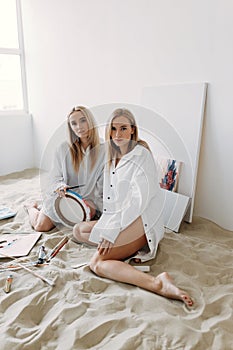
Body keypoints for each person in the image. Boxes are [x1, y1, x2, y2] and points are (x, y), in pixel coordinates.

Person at [73, 108, 193, 307]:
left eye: (123, 128)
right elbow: (114, 200)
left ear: (132, 130)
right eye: (113, 129)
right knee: (79, 230)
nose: (118, 134)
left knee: (96, 263)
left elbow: (138, 202)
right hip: (122, 217)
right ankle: (123, 251)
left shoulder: (142, 156)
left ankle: (158, 283)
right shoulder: (112, 158)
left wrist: (111, 231)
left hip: (142, 218)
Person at [25, 106, 105, 232]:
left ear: (90, 121)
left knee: (82, 221)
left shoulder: (104, 149)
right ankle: (31, 207)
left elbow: (104, 183)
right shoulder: (63, 148)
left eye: (83, 120)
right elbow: (54, 177)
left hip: (88, 200)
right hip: (63, 197)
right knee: (41, 226)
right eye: (74, 123)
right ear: (70, 127)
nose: (79, 126)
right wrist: (60, 186)